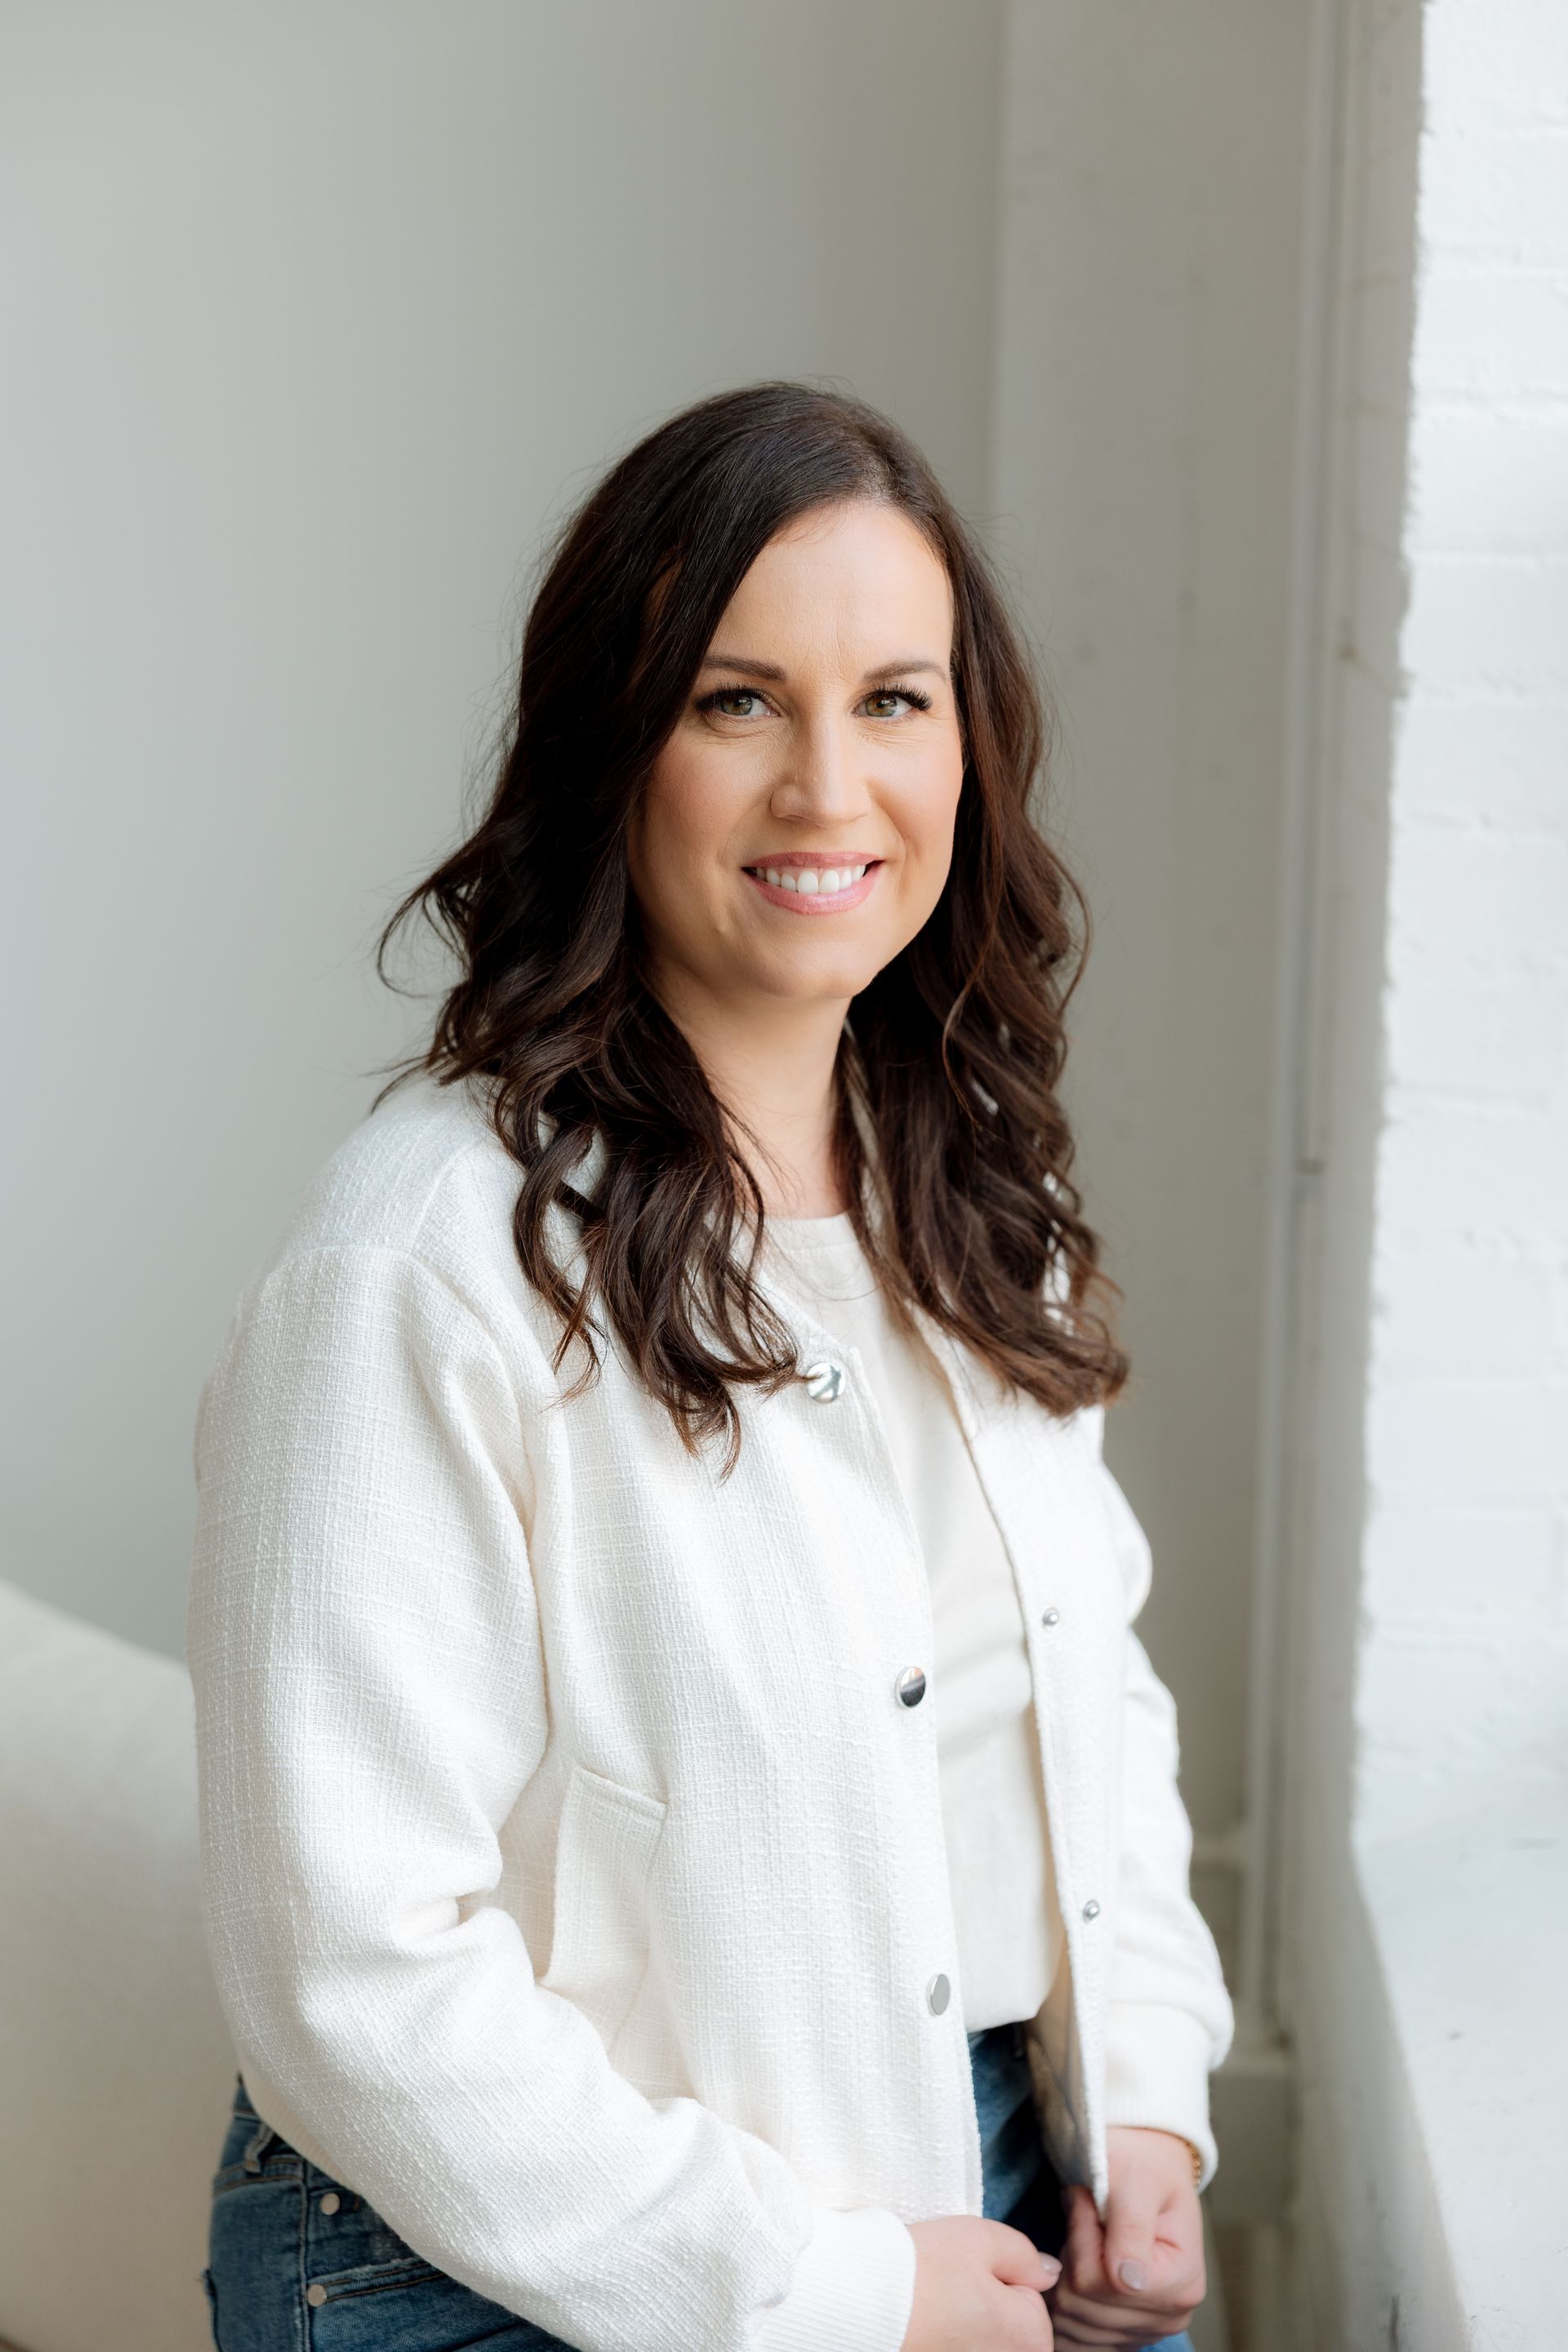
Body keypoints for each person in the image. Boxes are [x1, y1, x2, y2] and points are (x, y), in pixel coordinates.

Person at [187, 381, 1232, 2352]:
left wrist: (1149, 2103)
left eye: (895, 701)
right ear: (613, 748)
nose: (830, 788)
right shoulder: (417, 1264)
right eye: (737, 702)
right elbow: (349, 1972)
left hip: (1011, 2193)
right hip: (508, 2259)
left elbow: (1088, 1692)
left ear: (970, 750)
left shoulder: (979, 1201)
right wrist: (842, 2292)